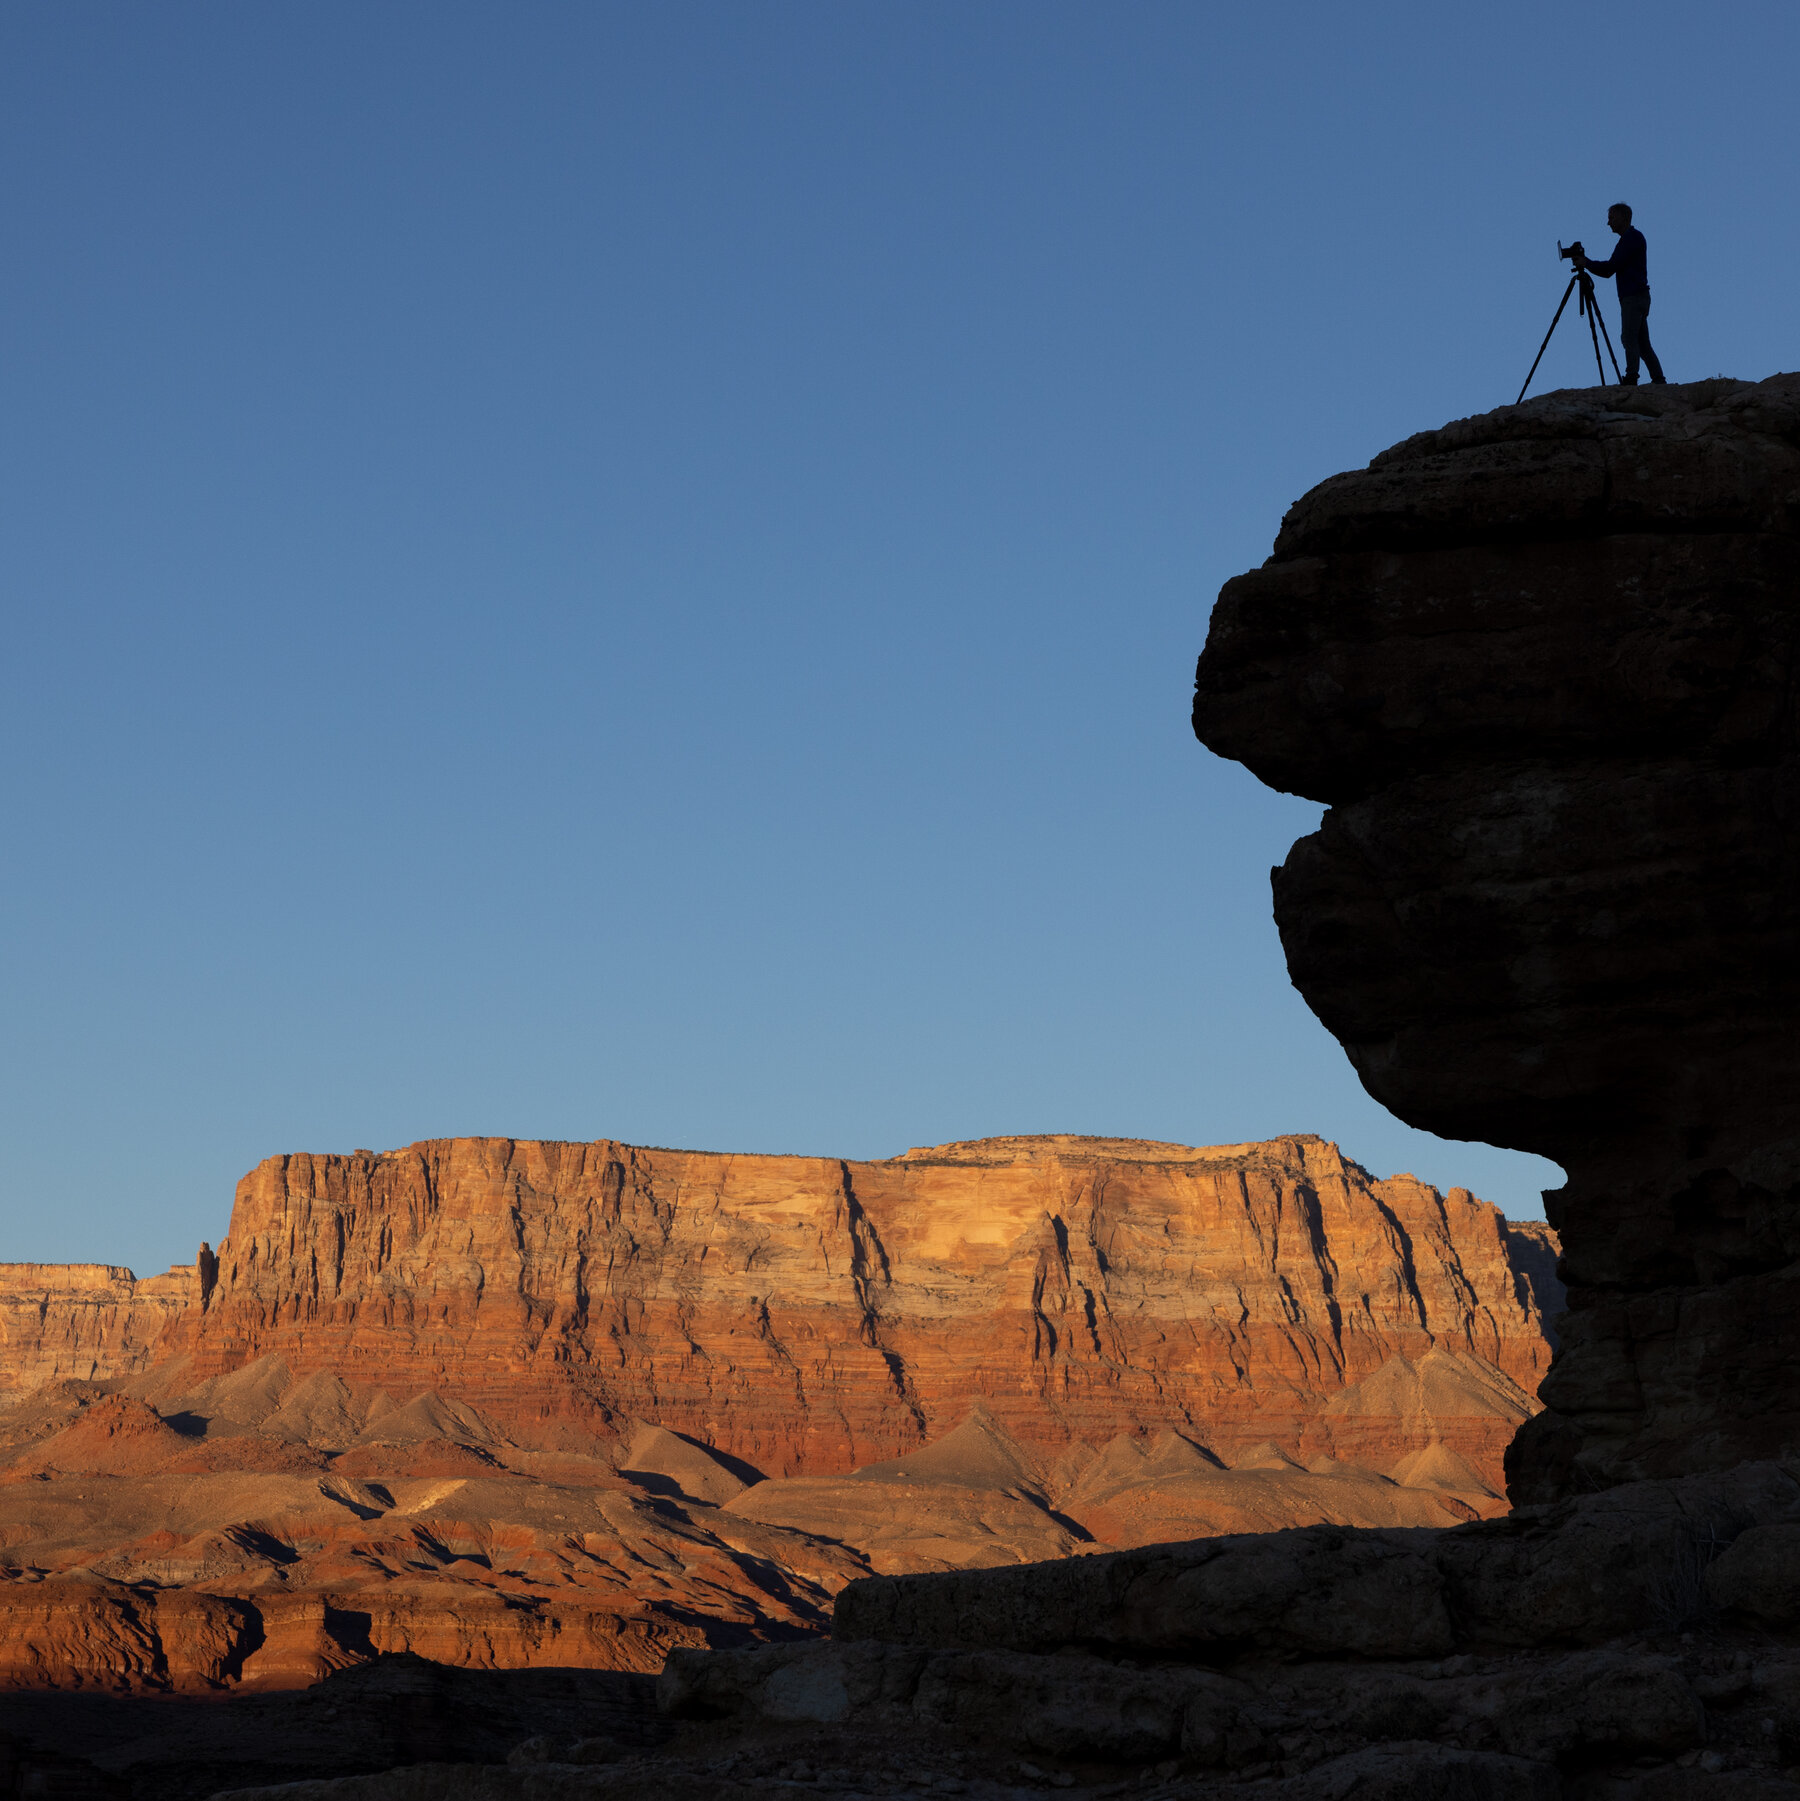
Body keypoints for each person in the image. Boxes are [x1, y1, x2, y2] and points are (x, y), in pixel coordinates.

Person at [1576, 204, 1666, 386]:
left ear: (1624, 217)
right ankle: (1659, 379)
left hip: (1633, 297)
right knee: (1643, 343)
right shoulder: (1632, 238)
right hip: (1638, 296)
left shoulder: (1631, 239)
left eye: (1612, 218)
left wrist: (1586, 263)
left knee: (1629, 338)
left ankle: (1631, 377)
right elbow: (1612, 267)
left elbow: (1610, 268)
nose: (1608, 223)